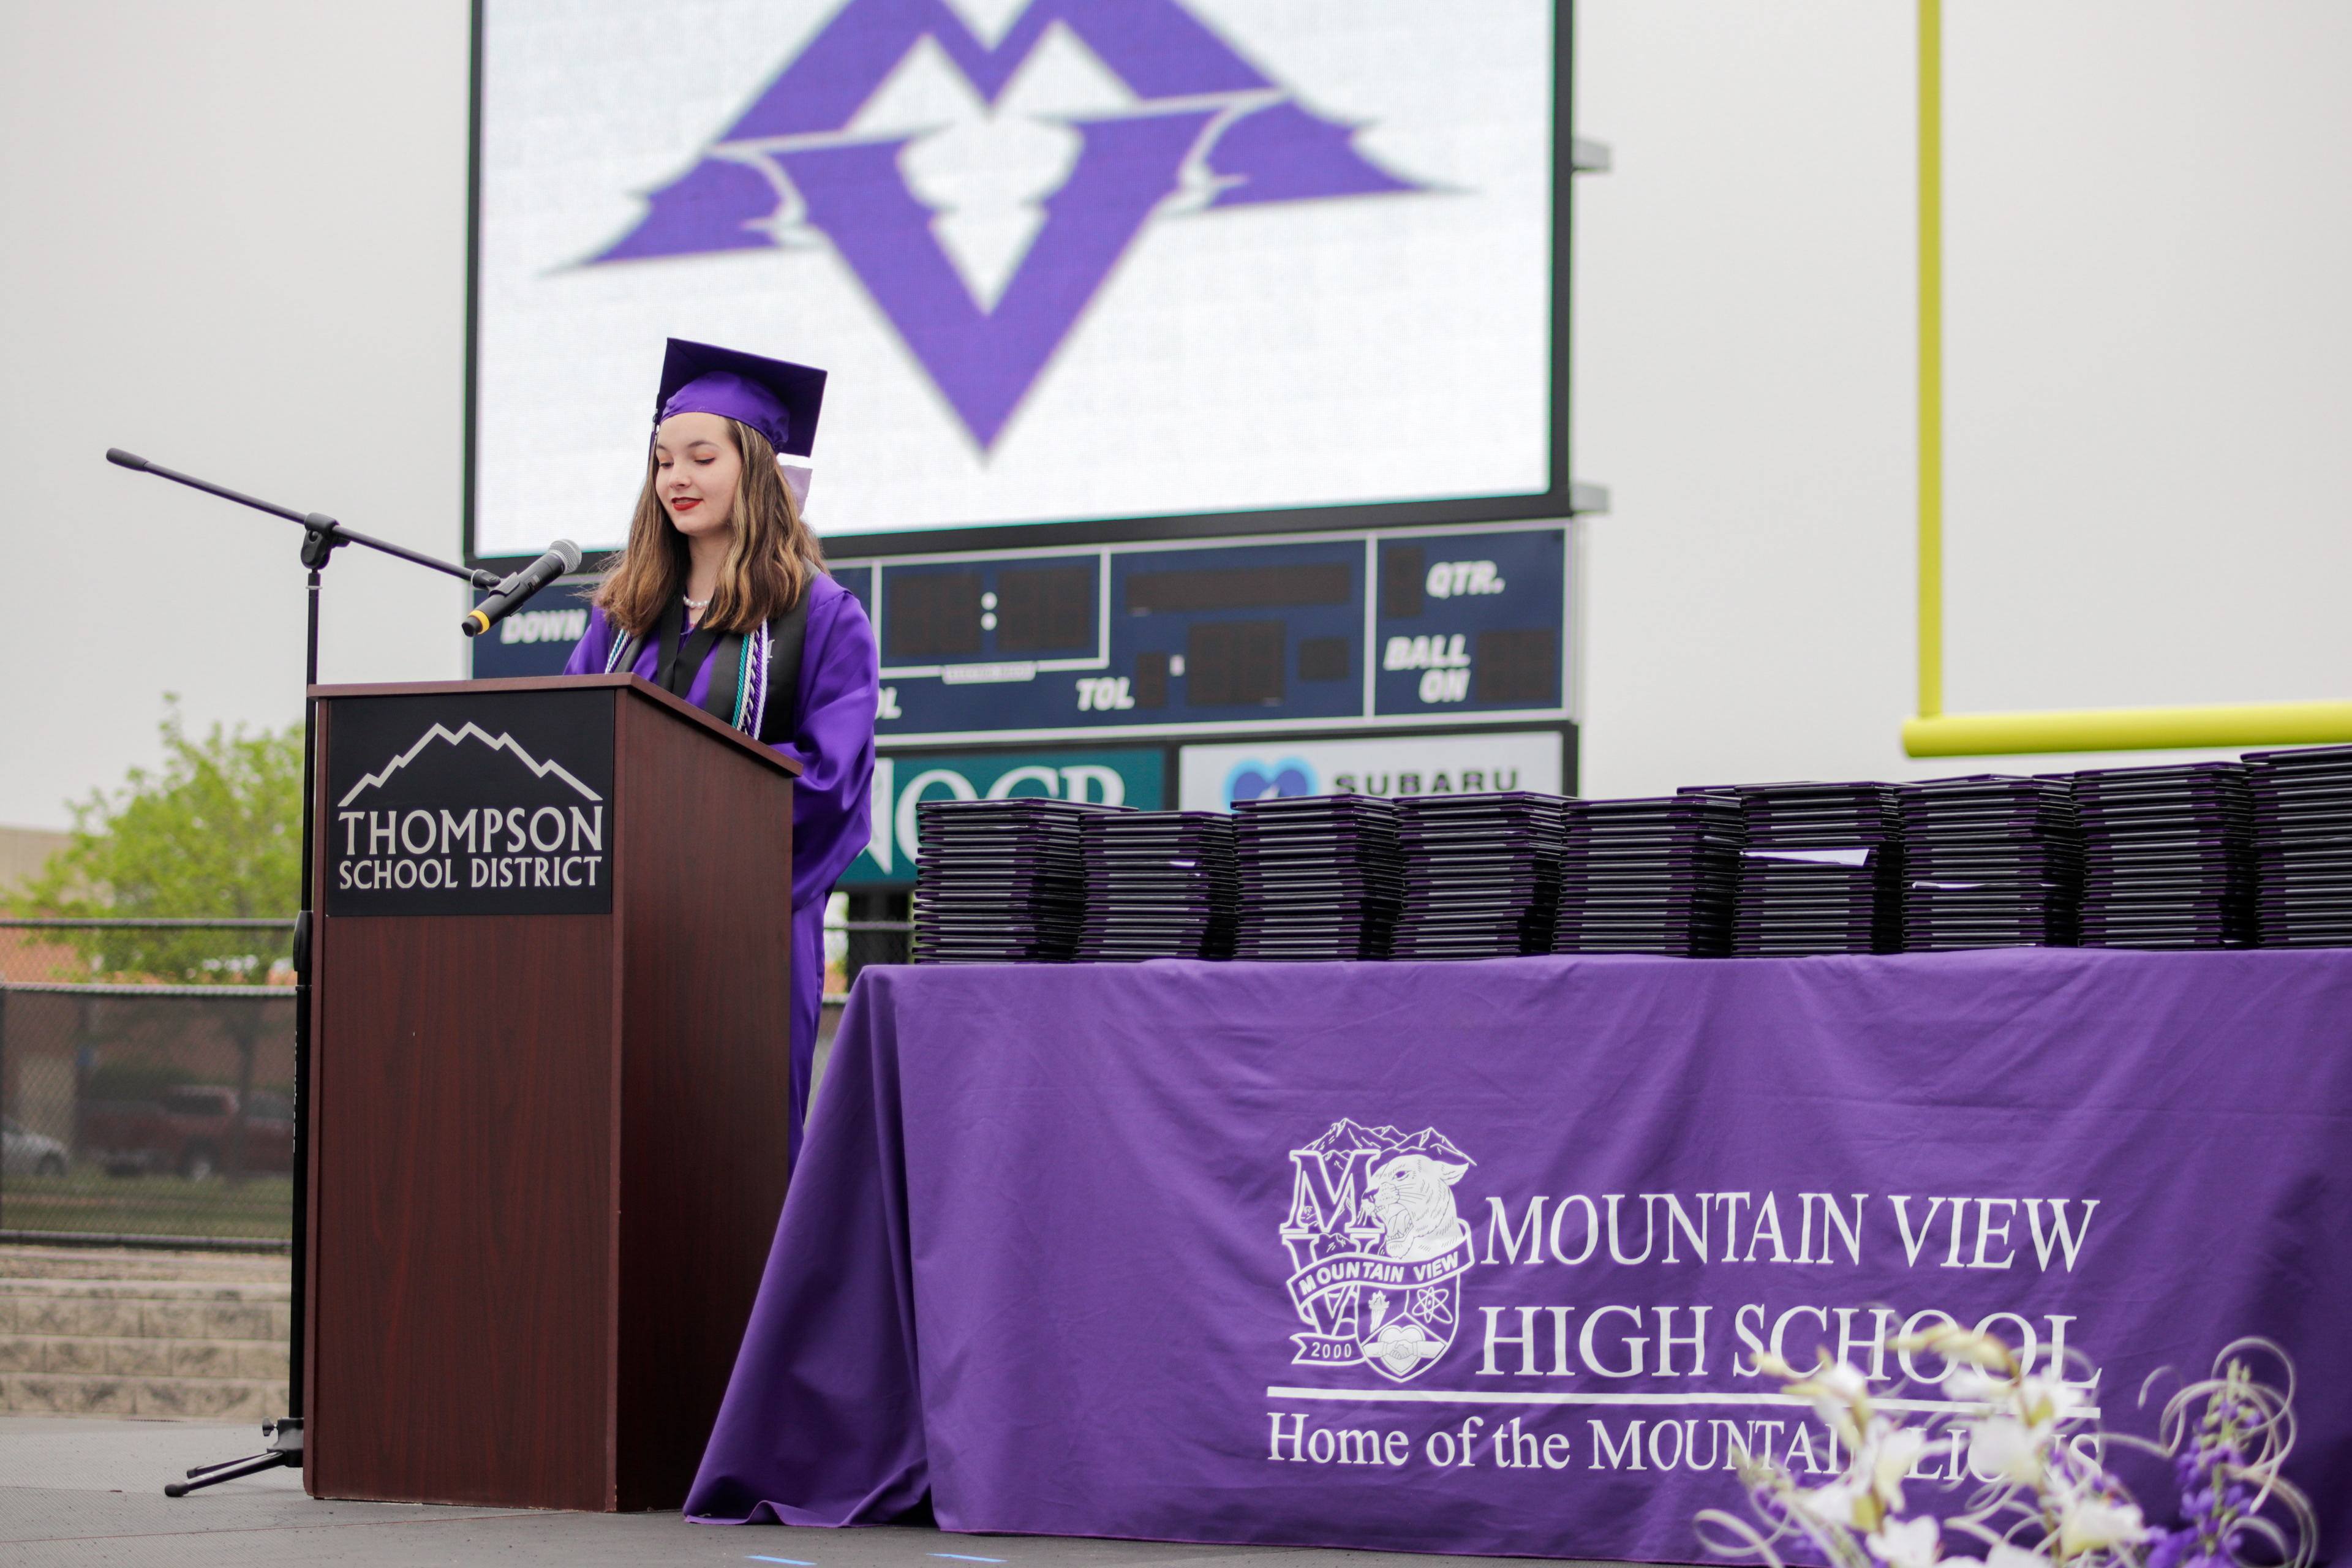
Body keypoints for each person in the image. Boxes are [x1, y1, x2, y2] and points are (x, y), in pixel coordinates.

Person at [565, 338, 877, 1163]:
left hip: (747, 933)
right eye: (663, 459)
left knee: (732, 1158)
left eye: (702, 456)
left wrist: (697, 852)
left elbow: (833, 785)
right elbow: (569, 747)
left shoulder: (822, 615)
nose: (677, 477)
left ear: (759, 469)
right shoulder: (620, 615)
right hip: (619, 928)